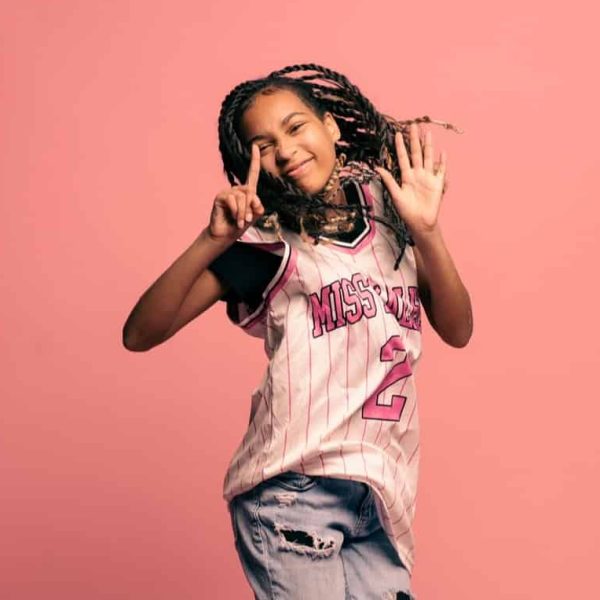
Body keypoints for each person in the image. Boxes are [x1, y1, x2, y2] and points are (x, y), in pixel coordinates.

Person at [122, 63, 473, 600]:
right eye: (262, 145)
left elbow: (457, 328)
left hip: (380, 496)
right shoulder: (265, 246)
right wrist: (211, 241)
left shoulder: (393, 214)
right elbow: (140, 333)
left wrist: (427, 231)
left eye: (295, 127)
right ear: (250, 163)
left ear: (330, 126)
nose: (284, 150)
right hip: (294, 490)